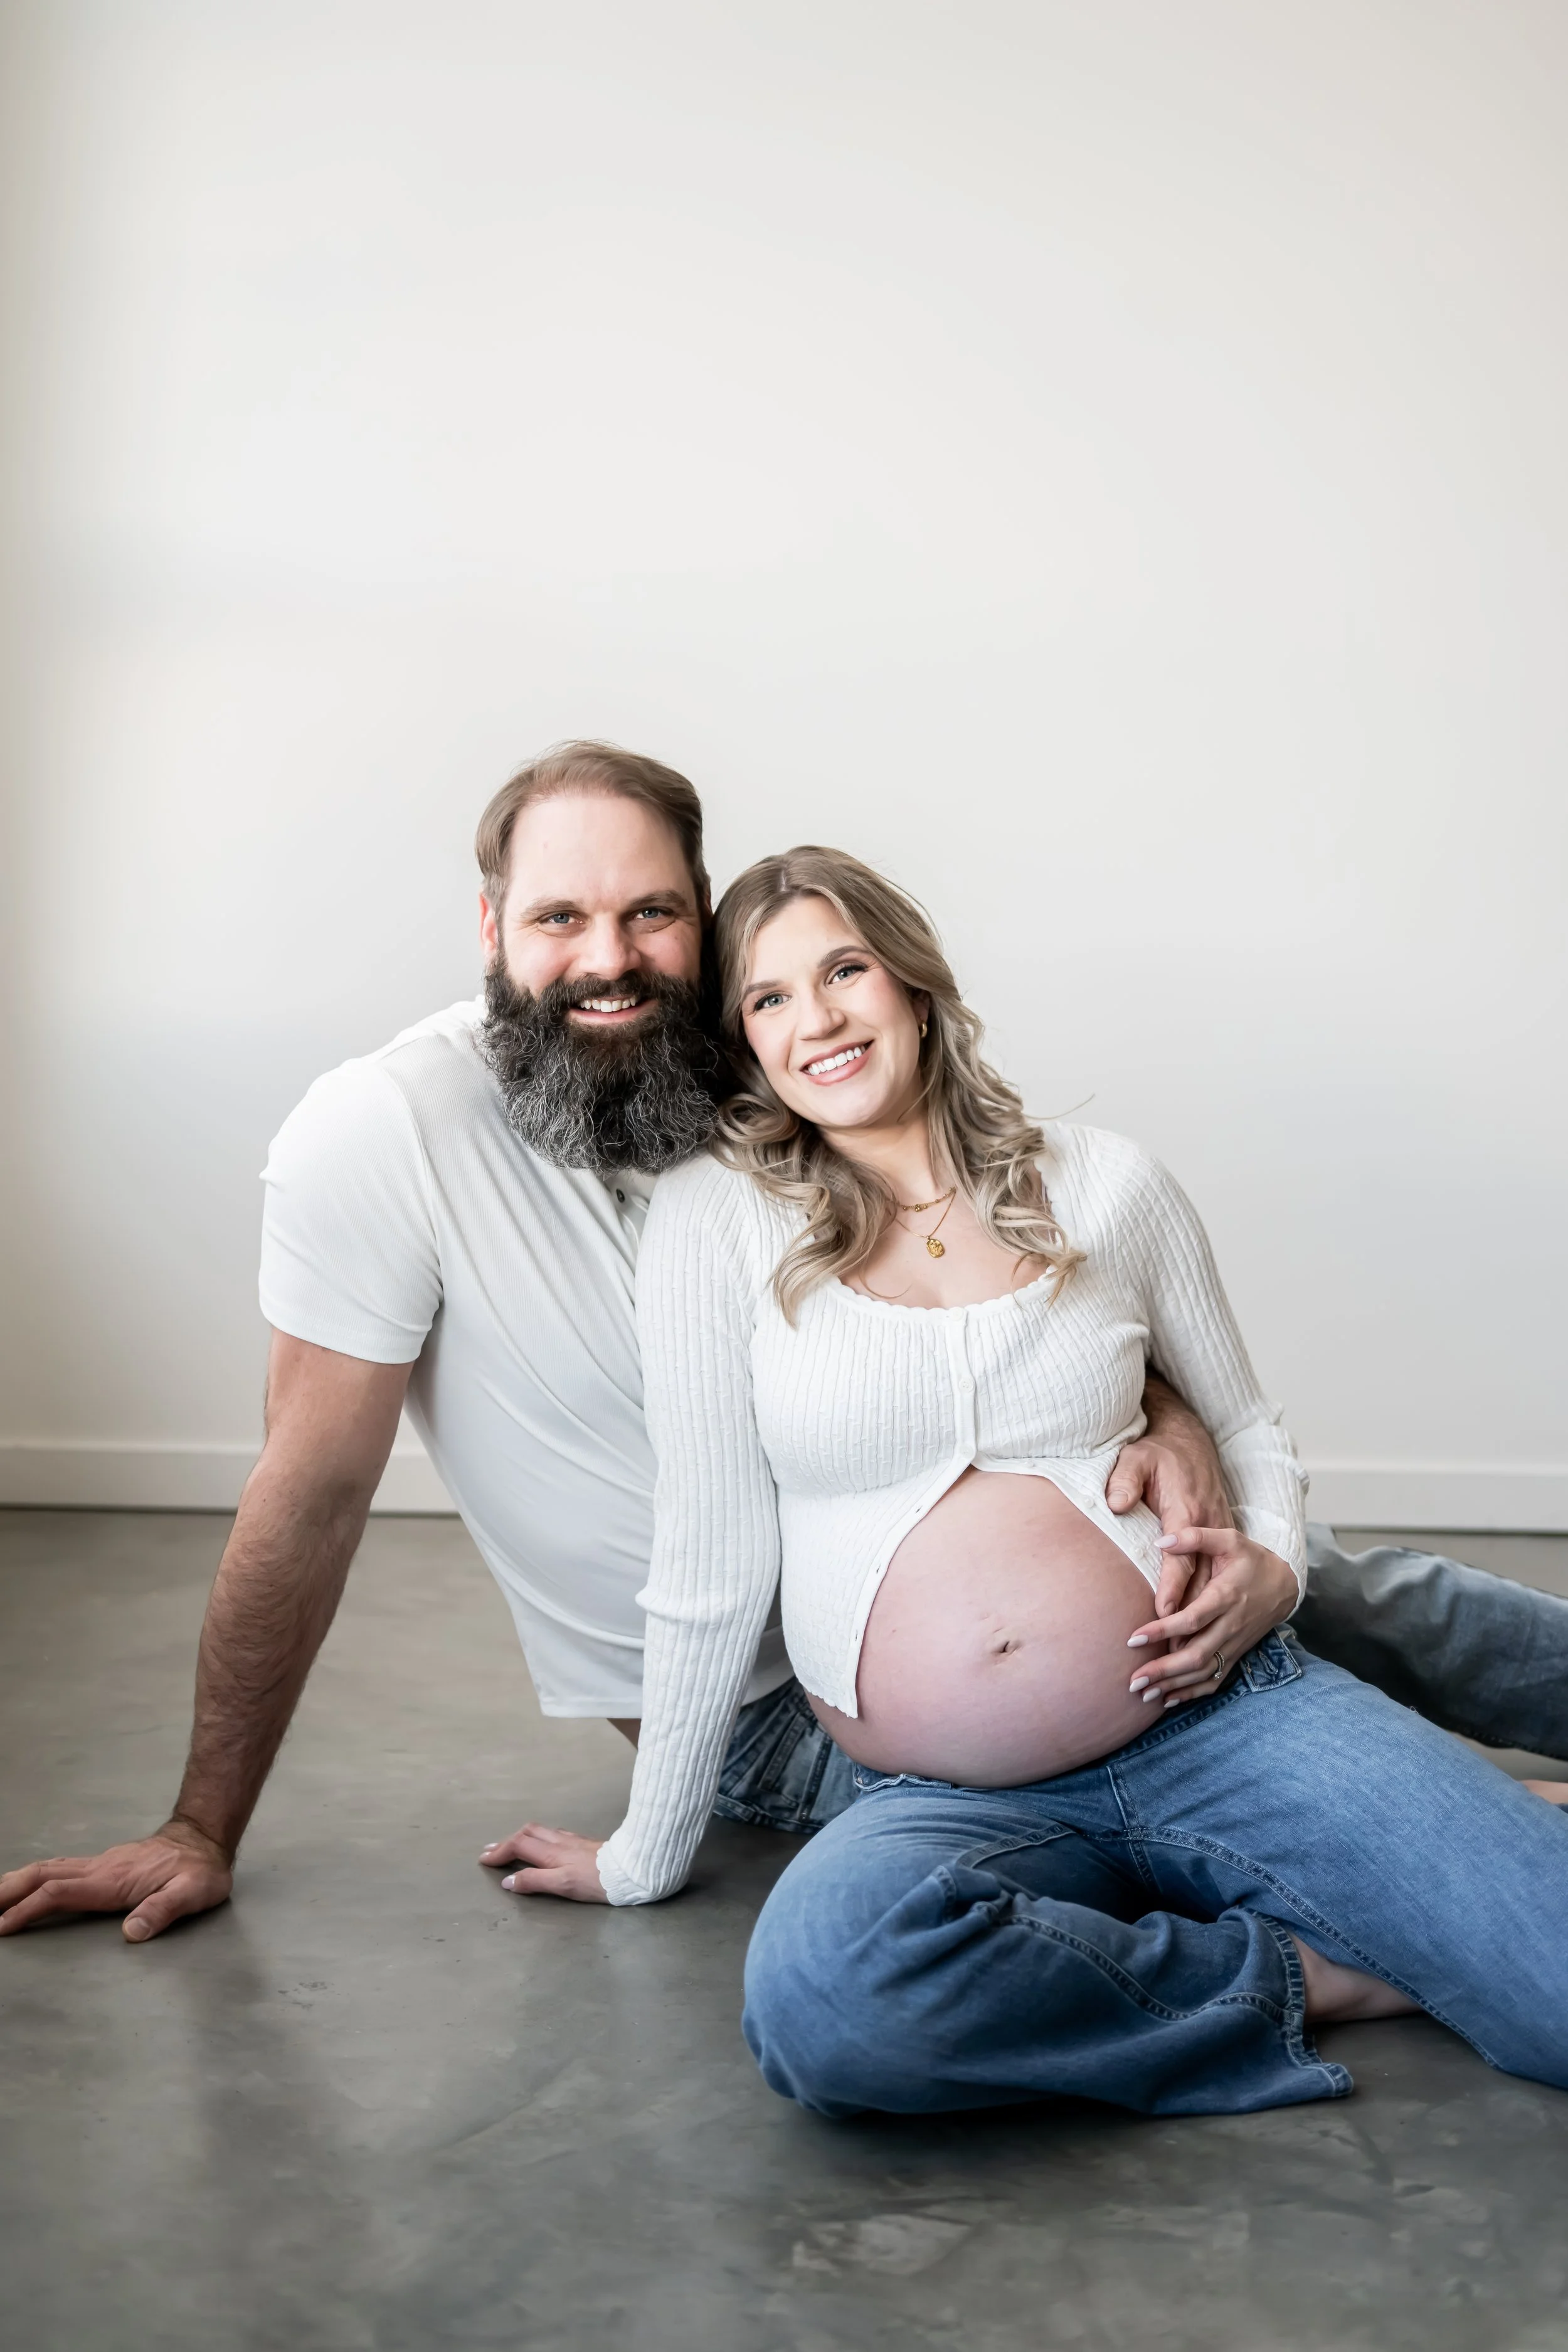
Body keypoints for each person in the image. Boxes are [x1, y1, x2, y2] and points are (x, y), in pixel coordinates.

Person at [1, 748, 1563, 1946]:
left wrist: (1161, 1397)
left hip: (1050, 1538)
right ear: (489, 927)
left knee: (1345, 1588)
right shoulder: (384, 1134)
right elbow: (311, 1484)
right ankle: (1476, 1848)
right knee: (1151, 1834)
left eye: (649, 913)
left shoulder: (756, 1068)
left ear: (701, 921)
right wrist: (202, 1824)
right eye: (557, 916)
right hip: (776, 1707)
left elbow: (976, 1257)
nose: (606, 957)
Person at [518, 842, 1568, 2119]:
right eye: (769, 999)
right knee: (829, 2002)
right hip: (936, 1796)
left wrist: (1276, 1564)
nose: (819, 1021)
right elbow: (710, 1558)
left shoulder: (1105, 1182)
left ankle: (1428, 1842)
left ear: (910, 983)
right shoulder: (713, 1221)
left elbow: (1241, 1427)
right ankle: (1310, 1970)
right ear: (741, 1042)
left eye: (844, 969)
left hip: (1222, 1719)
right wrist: (644, 1852)